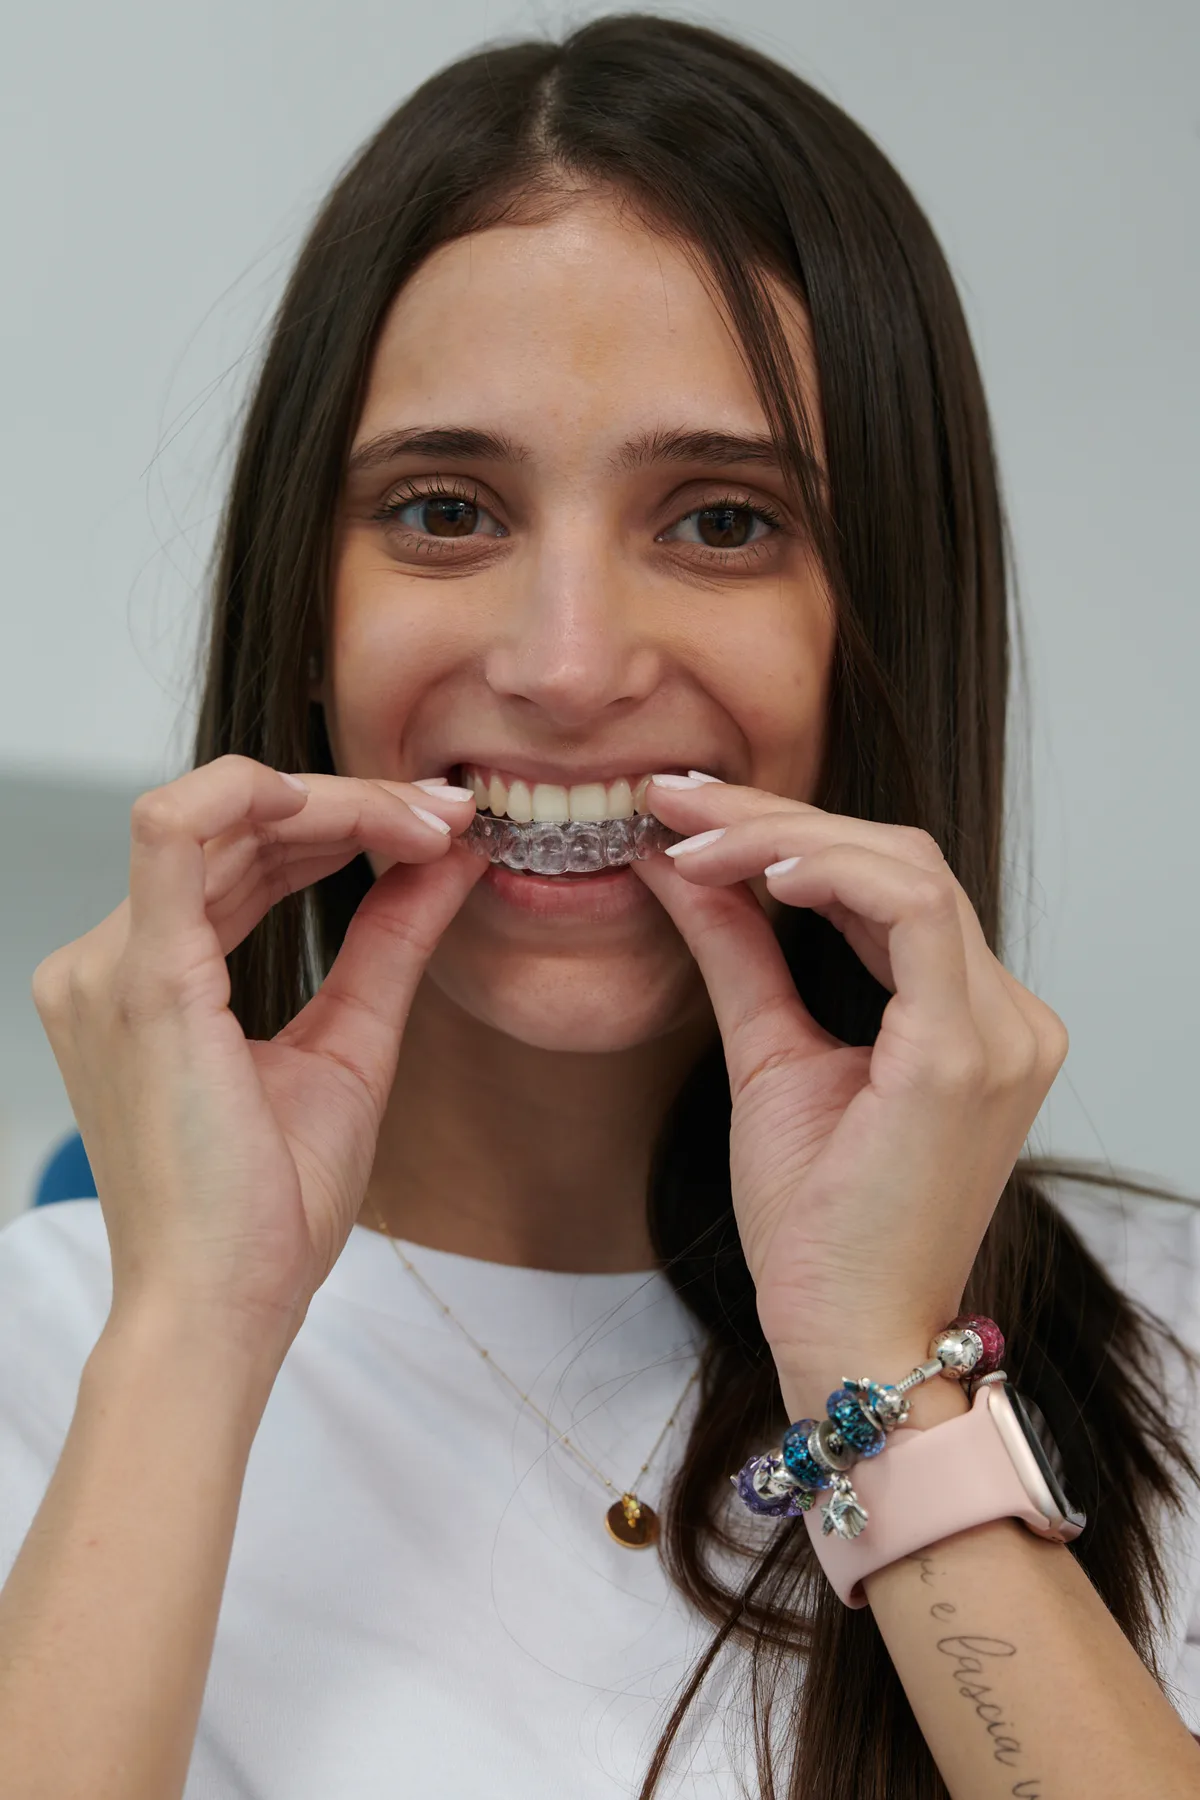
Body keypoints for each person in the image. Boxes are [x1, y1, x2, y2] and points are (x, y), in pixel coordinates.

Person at [0, 14, 1197, 1798]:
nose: (567, 669)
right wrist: (190, 1336)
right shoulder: (46, 1355)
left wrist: (881, 1369)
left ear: (877, 630)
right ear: (305, 620)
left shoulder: (1170, 1341)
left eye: (721, 522)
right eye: (444, 509)